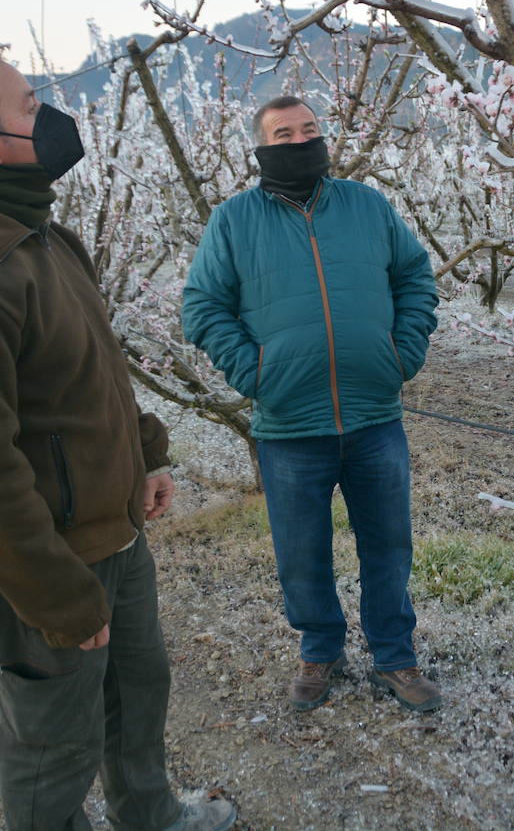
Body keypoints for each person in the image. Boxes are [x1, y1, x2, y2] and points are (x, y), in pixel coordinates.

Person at [0, 44, 236, 831]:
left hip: (110, 528)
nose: (54, 118)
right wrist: (56, 596)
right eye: (31, 106)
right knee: (53, 741)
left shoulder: (36, 233)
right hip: (35, 556)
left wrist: (144, 453)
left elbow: (92, 366)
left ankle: (150, 814)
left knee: (137, 690)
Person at [182, 95, 441, 713]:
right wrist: (254, 371)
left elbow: (414, 276)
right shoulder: (234, 220)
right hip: (289, 423)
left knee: (388, 543)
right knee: (301, 550)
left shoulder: (366, 205)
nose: (299, 143)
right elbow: (202, 306)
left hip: (375, 414)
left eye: (309, 131)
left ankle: (394, 654)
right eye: (283, 133)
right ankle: (320, 647)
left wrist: (401, 353)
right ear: (261, 146)